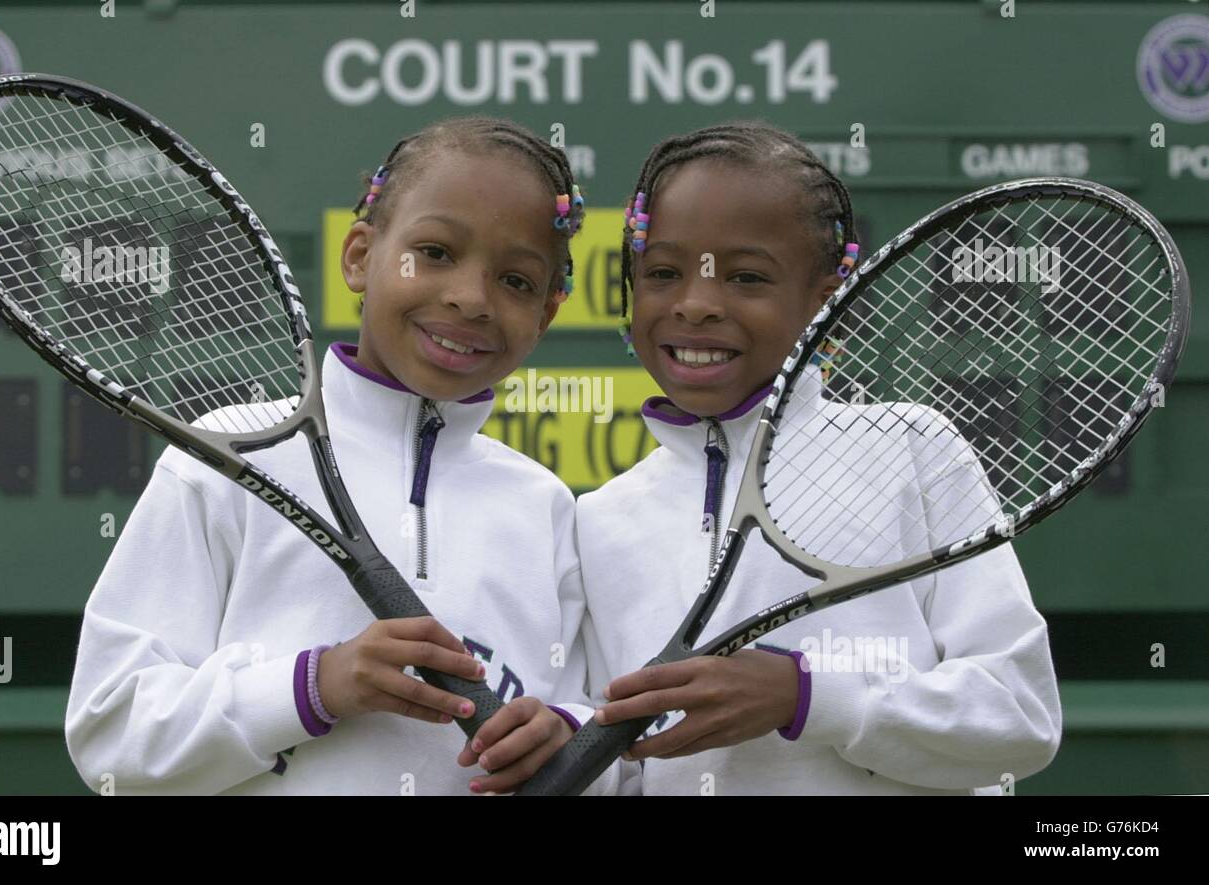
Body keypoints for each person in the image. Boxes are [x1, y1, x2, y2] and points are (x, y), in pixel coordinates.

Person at [66, 117, 619, 795]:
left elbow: (607, 747)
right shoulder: (234, 453)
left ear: (546, 314)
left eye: (516, 280)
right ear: (359, 255)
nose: (470, 298)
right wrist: (312, 687)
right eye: (437, 252)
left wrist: (565, 734)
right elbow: (111, 734)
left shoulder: (545, 506)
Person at [578, 122, 1062, 795]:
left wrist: (807, 697)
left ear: (828, 297)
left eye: (747, 276)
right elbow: (625, 765)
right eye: (663, 272)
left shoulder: (913, 450)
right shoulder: (599, 519)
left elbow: (1019, 717)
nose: (696, 303)